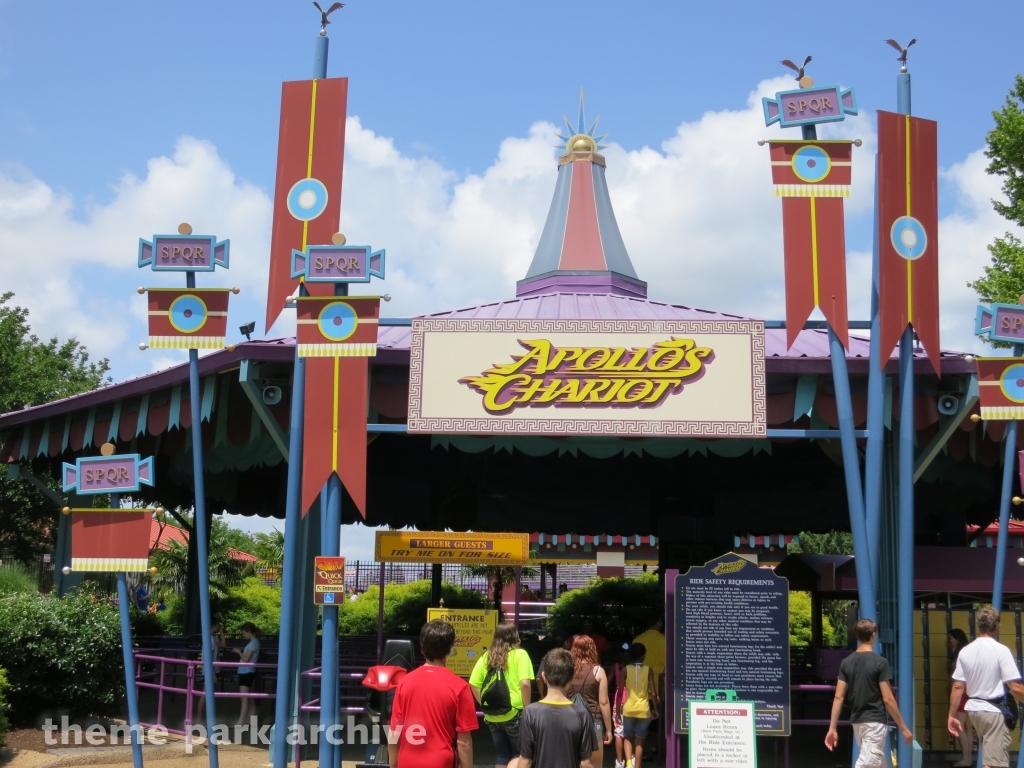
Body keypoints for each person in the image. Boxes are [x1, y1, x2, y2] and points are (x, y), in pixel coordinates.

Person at [389, 619, 477, 768]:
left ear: (422, 647)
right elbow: (464, 742)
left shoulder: (404, 683)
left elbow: (394, 732)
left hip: (407, 761)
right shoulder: (460, 687)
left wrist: (393, 764)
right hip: (441, 762)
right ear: (450, 648)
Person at [825, 619, 913, 768]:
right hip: (875, 721)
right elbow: (888, 699)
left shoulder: (846, 662)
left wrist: (832, 728)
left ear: (857, 636)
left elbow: (839, 697)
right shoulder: (880, 663)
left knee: (876, 762)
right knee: (867, 764)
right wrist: (903, 727)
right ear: (873, 635)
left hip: (857, 721)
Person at [949, 606, 1024, 768]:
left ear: (979, 625)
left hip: (975, 710)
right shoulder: (1001, 651)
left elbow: (957, 687)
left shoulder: (966, 651)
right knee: (995, 763)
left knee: (990, 760)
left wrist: (951, 715)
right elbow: (1015, 687)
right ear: (998, 626)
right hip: (993, 711)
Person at [469, 623, 535, 768]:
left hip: (491, 716)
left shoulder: (487, 656)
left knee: (503, 755)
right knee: (521, 755)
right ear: (515, 636)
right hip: (514, 713)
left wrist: (485, 703)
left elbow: (473, 683)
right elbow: (525, 684)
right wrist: (528, 708)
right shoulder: (520, 655)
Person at [518, 648, 596, 768]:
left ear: (544, 677)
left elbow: (525, 760)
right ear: (571, 681)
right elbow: (586, 763)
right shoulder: (582, 714)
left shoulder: (530, 713)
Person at [567, 635, 612, 767]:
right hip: (593, 720)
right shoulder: (598, 671)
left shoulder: (567, 670)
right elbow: (604, 702)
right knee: (595, 763)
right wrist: (609, 729)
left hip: (569, 718)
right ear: (592, 649)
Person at [621, 642, 658, 768]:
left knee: (627, 737)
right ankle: (637, 766)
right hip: (644, 709)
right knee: (639, 741)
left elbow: (620, 691)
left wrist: (616, 713)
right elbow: (653, 692)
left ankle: (629, 763)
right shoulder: (649, 670)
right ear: (643, 656)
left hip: (629, 708)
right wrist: (656, 709)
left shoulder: (625, 669)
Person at [948, 628, 974, 767]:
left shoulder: (960, 654)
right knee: (967, 726)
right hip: (969, 693)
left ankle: (966, 759)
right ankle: (968, 757)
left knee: (959, 725)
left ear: (957, 639)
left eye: (950, 639)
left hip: (961, 694)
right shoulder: (967, 652)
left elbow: (956, 679)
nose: (948, 642)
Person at [196, 621, 226, 719]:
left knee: (208, 694)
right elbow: (208, 657)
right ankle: (199, 717)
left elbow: (224, 645)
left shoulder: (213, 638)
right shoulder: (210, 639)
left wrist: (221, 632)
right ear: (213, 625)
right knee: (205, 694)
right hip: (210, 670)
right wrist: (212, 673)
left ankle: (204, 717)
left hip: (213, 669)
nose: (219, 627)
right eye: (218, 625)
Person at [233, 622, 260, 726]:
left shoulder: (252, 644)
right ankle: (251, 720)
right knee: (249, 696)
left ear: (249, 632)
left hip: (246, 672)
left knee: (244, 698)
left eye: (244, 633)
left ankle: (241, 721)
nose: (243, 635)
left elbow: (246, 659)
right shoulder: (255, 643)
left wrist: (239, 652)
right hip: (248, 671)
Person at [535, 631, 571, 699]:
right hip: (566, 698)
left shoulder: (547, 657)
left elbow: (538, 679)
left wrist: (542, 695)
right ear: (566, 643)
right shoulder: (569, 658)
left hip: (549, 697)